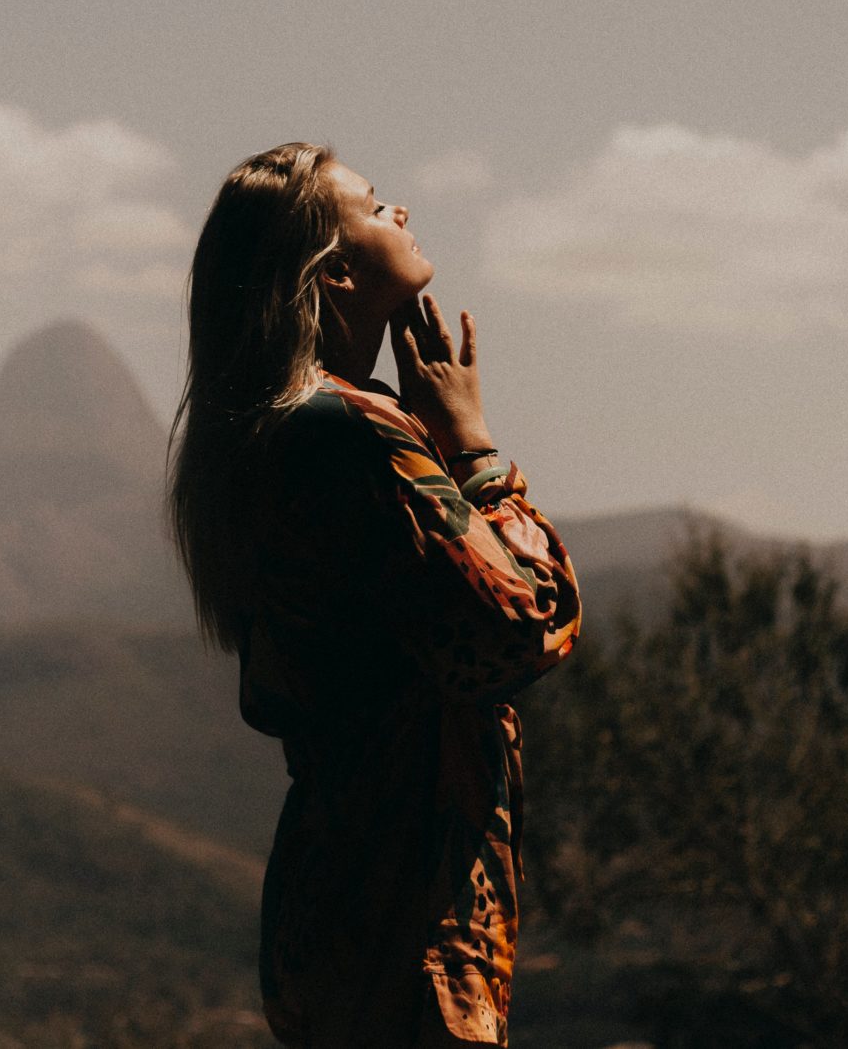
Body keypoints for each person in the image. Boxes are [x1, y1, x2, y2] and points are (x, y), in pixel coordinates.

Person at [168, 141, 582, 1048]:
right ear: (335, 270)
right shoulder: (350, 435)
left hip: (338, 905)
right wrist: (475, 451)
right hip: (406, 918)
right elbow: (526, 626)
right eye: (373, 204)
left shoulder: (276, 438)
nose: (399, 210)